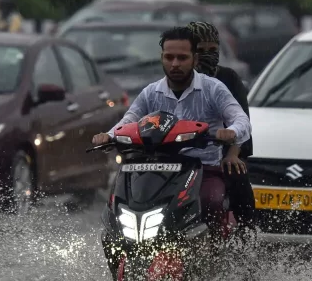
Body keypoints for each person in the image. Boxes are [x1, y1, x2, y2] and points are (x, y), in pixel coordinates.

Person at [92, 26, 251, 234]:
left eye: (182, 58)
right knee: (122, 205)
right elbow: (129, 121)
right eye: (169, 57)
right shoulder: (150, 92)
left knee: (210, 201)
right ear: (162, 58)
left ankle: (216, 255)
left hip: (203, 169)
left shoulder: (214, 88)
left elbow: (241, 120)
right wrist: (109, 136)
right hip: (157, 170)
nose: (175, 64)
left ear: (194, 59)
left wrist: (231, 131)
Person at [187, 21, 255, 233]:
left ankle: (245, 234)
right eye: (201, 50)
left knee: (237, 175)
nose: (208, 54)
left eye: (213, 50)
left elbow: (242, 121)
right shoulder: (178, 79)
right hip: (183, 152)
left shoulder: (228, 78)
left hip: (225, 149)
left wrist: (233, 153)